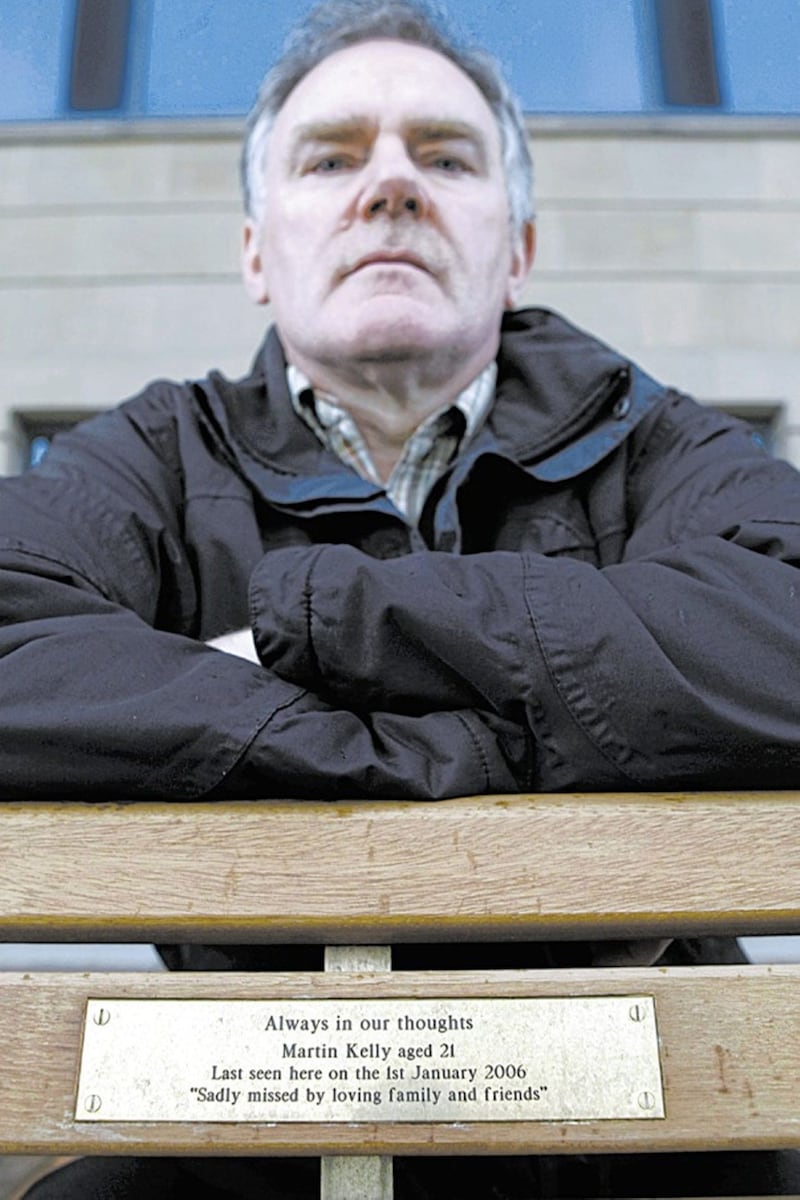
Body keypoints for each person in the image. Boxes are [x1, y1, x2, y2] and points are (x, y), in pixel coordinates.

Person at [5, 1, 799, 1195]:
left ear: (516, 246)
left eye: (444, 155)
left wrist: (306, 634)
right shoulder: (163, 452)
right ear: (257, 253)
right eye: (331, 158)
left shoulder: (651, 437)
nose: (389, 187)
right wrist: (507, 728)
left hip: (657, 1111)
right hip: (238, 1114)